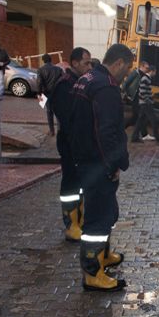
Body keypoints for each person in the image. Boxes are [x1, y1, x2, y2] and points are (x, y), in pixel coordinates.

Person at [70, 44, 134, 292]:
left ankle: (102, 256)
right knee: (98, 220)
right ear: (118, 63)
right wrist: (112, 164)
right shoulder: (106, 87)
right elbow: (107, 131)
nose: (126, 75)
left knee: (107, 213)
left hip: (86, 159)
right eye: (127, 69)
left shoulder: (86, 79)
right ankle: (92, 273)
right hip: (98, 163)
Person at [48, 47, 92, 243]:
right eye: (86, 63)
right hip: (70, 142)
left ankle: (80, 221)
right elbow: (68, 119)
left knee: (80, 184)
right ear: (74, 63)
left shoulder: (79, 83)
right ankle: (71, 225)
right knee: (70, 185)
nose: (89, 67)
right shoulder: (65, 85)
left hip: (80, 143)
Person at [131, 64, 159, 143]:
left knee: (141, 120)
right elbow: (143, 91)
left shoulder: (146, 78)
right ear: (152, 71)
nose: (155, 74)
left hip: (144, 102)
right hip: (145, 103)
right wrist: (149, 100)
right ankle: (157, 136)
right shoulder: (146, 79)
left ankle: (134, 137)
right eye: (155, 72)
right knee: (153, 119)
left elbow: (145, 91)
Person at [37, 54, 64, 136]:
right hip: (58, 93)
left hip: (47, 93)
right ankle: (60, 130)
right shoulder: (58, 69)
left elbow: (39, 83)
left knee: (49, 112)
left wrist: (39, 93)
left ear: (43, 60)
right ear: (51, 60)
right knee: (58, 112)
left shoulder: (41, 70)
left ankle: (51, 131)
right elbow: (63, 80)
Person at [122, 61, 148, 137]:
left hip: (139, 98)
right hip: (134, 98)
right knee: (140, 115)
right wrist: (124, 93)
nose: (147, 69)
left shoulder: (143, 75)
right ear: (142, 66)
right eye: (146, 68)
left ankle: (121, 128)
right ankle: (144, 134)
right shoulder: (135, 73)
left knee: (135, 117)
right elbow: (126, 83)